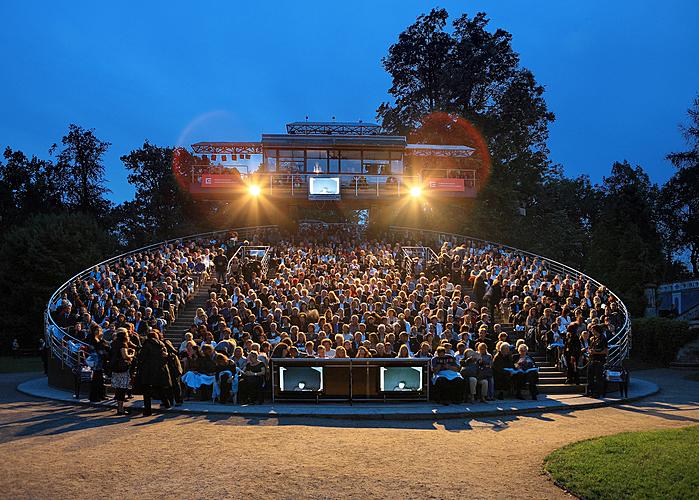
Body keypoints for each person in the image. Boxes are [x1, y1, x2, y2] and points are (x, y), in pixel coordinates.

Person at [135, 329, 172, 416]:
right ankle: (167, 403)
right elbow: (165, 358)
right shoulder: (162, 345)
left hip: (147, 371)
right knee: (159, 388)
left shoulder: (146, 345)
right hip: (159, 370)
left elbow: (141, 358)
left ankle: (148, 410)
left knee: (147, 391)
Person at [110, 328, 135, 416]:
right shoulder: (123, 344)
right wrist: (132, 355)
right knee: (122, 389)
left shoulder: (113, 344)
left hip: (115, 367)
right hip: (122, 369)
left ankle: (119, 408)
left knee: (118, 388)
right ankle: (120, 409)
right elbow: (124, 356)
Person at [586, 324, 608, 397]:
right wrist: (589, 351)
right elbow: (589, 347)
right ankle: (590, 391)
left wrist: (596, 352)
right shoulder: (592, 338)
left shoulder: (603, 338)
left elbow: (606, 351)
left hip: (599, 360)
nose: (591, 331)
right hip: (592, 359)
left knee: (598, 377)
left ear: (596, 330)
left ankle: (597, 392)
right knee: (590, 376)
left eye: (592, 329)